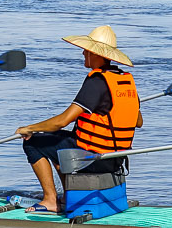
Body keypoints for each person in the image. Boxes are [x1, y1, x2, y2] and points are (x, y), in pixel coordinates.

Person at [15, 25, 142, 213]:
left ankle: (50, 200)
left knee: (33, 142)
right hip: (116, 158)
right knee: (58, 141)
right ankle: (68, 197)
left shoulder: (97, 82)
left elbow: (62, 120)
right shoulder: (124, 81)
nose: (83, 53)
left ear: (97, 54)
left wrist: (30, 128)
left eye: (87, 50)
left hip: (94, 157)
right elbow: (138, 121)